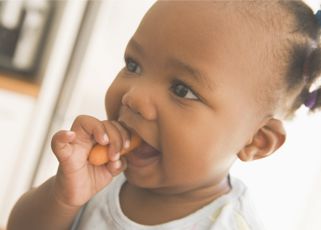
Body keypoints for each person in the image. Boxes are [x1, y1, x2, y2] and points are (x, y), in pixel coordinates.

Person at [7, 1, 321, 229]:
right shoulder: (100, 177)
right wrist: (63, 197)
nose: (134, 97)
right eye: (134, 65)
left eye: (182, 89)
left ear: (256, 141)